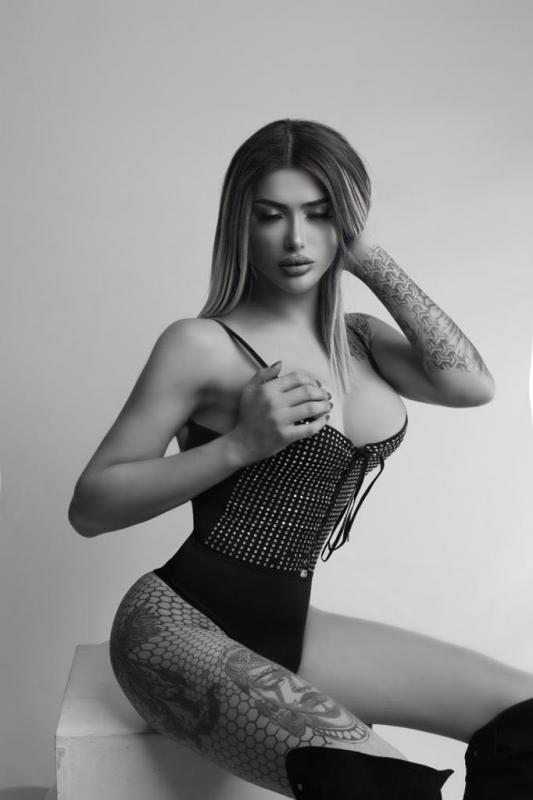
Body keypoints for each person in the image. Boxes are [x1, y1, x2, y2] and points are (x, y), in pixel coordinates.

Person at [68, 119, 533, 799]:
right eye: (270, 215)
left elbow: (471, 385)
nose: (295, 239)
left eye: (319, 214)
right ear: (240, 223)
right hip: (177, 623)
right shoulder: (200, 344)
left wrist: (370, 259)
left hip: (292, 627)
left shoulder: (362, 340)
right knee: (379, 787)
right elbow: (91, 507)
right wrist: (241, 444)